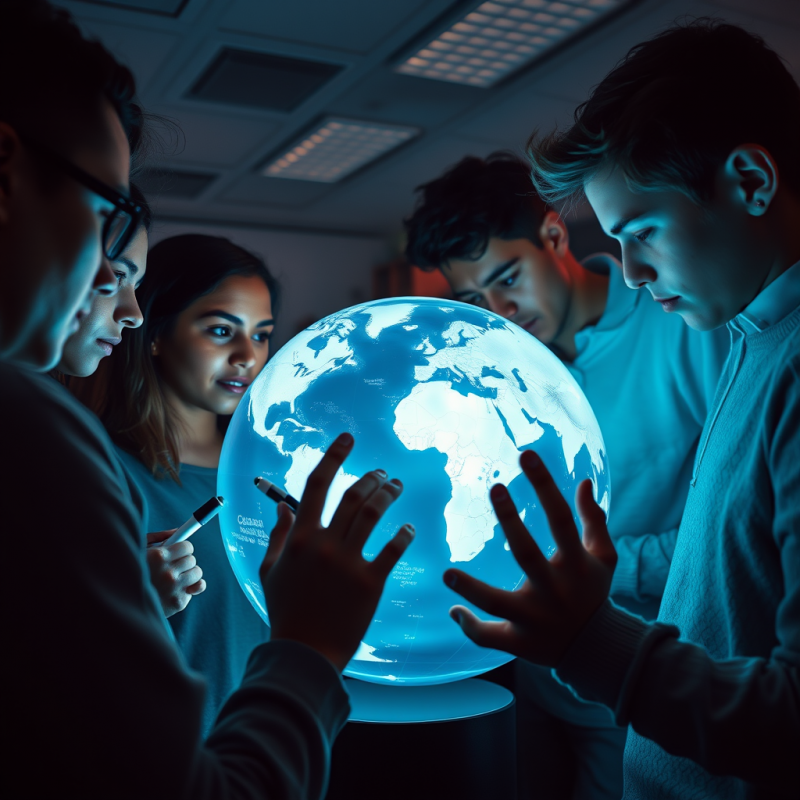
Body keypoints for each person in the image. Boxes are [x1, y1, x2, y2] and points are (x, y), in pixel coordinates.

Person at [2, 3, 414, 798]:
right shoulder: (42, 438)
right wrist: (311, 645)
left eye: (263, 332)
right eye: (103, 218)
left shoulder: (263, 471)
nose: (112, 300)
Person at [443, 19, 800, 799]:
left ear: (751, 181)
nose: (634, 272)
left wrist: (589, 637)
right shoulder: (747, 331)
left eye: (642, 231)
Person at [404, 152, 728, 799]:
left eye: (508, 278)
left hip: (640, 680)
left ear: (554, 237)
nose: (499, 311)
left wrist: (592, 569)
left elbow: (723, 533)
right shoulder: (497, 373)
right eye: (474, 298)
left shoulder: (683, 326)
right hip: (529, 678)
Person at [77, 233, 282, 735]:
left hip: (277, 759)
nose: (247, 356)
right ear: (157, 332)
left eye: (261, 334)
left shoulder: (282, 475)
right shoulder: (98, 472)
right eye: (220, 330)